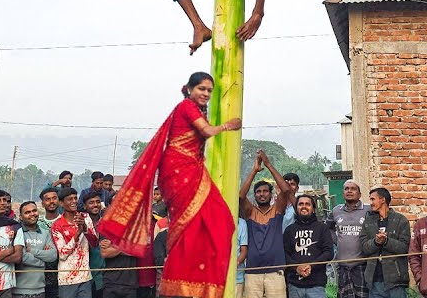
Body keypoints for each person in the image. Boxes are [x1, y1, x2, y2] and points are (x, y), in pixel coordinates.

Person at [98, 71, 241, 298]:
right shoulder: (186, 107)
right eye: (201, 89)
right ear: (189, 89)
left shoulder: (197, 109)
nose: (205, 93)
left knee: (220, 220)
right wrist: (228, 126)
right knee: (192, 225)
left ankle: (195, 279)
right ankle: (181, 279)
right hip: (178, 170)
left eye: (209, 91)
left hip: (193, 168)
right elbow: (205, 131)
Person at [239, 150, 295, 298]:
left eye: (265, 191)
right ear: (255, 195)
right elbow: (240, 196)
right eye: (258, 192)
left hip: (275, 270)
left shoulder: (277, 210)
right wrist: (254, 170)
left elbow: (286, 190)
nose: (262, 194)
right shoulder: (250, 212)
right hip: (252, 271)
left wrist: (268, 164)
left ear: (271, 194)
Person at [360, 187, 411, 298]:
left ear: (382, 200)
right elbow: (363, 248)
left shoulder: (401, 220)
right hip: (374, 281)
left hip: (396, 282)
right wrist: (376, 242)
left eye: (373, 199)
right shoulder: (368, 222)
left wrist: (386, 241)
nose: (371, 203)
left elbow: (404, 248)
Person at [283, 195, 333, 298]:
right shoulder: (289, 230)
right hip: (294, 285)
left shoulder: (322, 228)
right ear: (296, 208)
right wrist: (297, 268)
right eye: (301, 204)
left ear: (313, 208)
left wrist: (311, 265)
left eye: (308, 204)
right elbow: (284, 254)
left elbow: (328, 252)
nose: (304, 207)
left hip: (317, 285)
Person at [51, 188, 96, 298]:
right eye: (69, 199)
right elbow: (62, 254)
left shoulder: (85, 218)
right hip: (67, 278)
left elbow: (94, 243)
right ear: (61, 203)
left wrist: (85, 227)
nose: (74, 201)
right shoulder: (57, 225)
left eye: (75, 198)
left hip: (85, 277)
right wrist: (77, 233)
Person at [329, 181, 368, 298]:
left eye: (353, 189)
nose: (349, 191)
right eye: (346, 189)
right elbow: (327, 228)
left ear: (359, 194)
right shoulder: (336, 211)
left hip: (362, 265)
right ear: (343, 193)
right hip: (342, 266)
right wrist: (337, 240)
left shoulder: (368, 210)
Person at [17, 200, 57, 298]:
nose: (32, 214)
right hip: (18, 290)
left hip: (40, 289)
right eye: (27, 212)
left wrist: (31, 251)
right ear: (21, 217)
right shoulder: (17, 232)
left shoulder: (46, 232)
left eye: (34, 211)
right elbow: (21, 257)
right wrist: (43, 261)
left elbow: (53, 255)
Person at [37, 189, 63, 298]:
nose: (51, 202)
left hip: (62, 272)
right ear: (43, 204)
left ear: (59, 201)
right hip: (40, 274)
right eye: (47, 199)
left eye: (54, 198)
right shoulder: (37, 223)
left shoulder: (65, 221)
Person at [98, 230, 138, 298]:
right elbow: (104, 253)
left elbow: (137, 251)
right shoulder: (108, 228)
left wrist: (113, 245)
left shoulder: (136, 229)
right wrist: (128, 245)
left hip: (130, 283)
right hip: (110, 282)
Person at [84, 196, 106, 298]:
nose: (95, 205)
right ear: (85, 206)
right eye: (91, 202)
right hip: (84, 275)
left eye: (97, 202)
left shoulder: (106, 223)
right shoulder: (80, 224)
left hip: (103, 275)